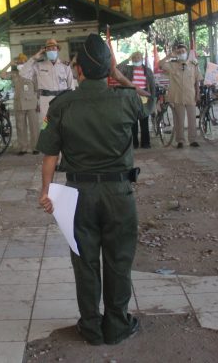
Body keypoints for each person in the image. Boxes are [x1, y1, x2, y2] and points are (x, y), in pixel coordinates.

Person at [37, 34, 145, 346]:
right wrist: (121, 76)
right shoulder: (126, 99)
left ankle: (91, 326)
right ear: (107, 70)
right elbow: (147, 100)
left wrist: (45, 191)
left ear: (79, 70)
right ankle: (117, 324)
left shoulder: (61, 105)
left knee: (84, 262)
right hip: (119, 194)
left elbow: (50, 156)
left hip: (78, 196)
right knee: (119, 259)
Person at [18, 38, 75, 124]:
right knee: (45, 127)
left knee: (63, 126)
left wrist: (71, 105)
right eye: (48, 49)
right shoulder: (39, 66)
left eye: (53, 48)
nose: (51, 50)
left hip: (62, 102)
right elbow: (23, 73)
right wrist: (33, 58)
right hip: (46, 104)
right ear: (45, 51)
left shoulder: (65, 66)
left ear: (57, 50)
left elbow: (71, 87)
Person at [160, 44, 202, 148]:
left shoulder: (193, 64)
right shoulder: (172, 65)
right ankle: (180, 140)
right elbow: (160, 64)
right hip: (177, 96)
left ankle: (193, 140)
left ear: (186, 52)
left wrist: (198, 93)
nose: (181, 53)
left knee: (192, 118)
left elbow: (197, 80)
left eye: (183, 51)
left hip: (190, 95)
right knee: (179, 119)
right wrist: (170, 55)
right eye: (179, 52)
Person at [0, 54, 39, 155]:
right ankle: (23, 148)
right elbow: (1, 75)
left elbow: (37, 89)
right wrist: (9, 64)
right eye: (19, 62)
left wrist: (38, 102)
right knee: (20, 127)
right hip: (19, 103)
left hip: (31, 102)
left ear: (27, 63)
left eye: (23, 62)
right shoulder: (14, 74)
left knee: (34, 126)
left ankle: (35, 147)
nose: (21, 63)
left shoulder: (32, 73)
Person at [118, 51, 155, 148]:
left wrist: (153, 99)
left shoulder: (147, 70)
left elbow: (152, 85)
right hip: (131, 96)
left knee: (144, 120)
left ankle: (145, 143)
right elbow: (117, 69)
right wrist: (127, 60)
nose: (136, 59)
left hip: (144, 97)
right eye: (134, 57)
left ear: (142, 58)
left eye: (138, 57)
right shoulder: (128, 69)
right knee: (133, 121)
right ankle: (134, 143)